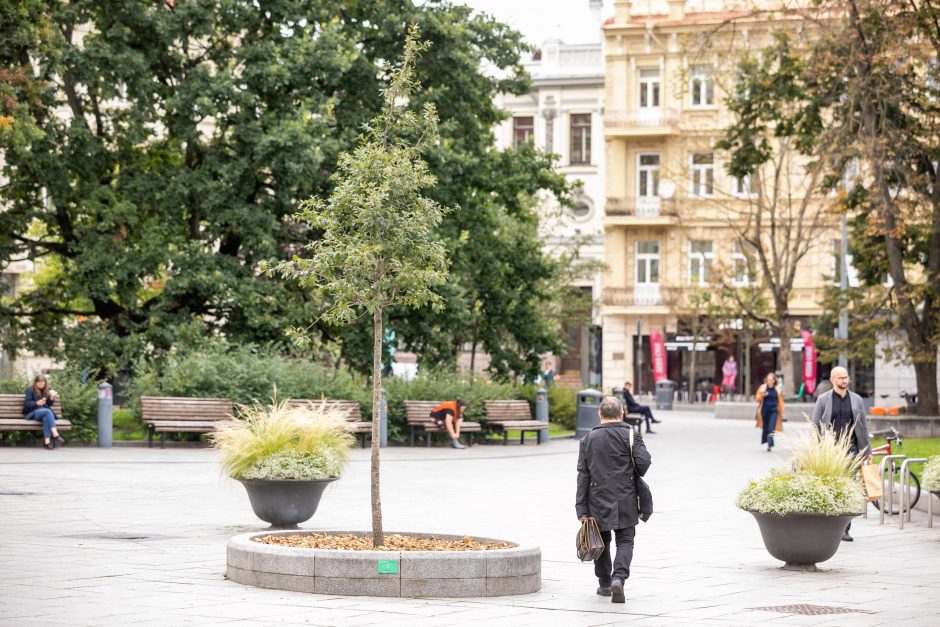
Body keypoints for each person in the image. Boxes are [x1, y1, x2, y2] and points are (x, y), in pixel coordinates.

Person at [576, 396, 652, 604]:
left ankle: (604, 583)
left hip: (597, 498)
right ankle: (619, 578)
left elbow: (583, 475)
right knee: (625, 540)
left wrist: (581, 509)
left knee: (601, 541)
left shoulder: (588, 440)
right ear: (621, 414)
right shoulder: (630, 434)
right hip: (626, 496)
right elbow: (644, 464)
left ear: (600, 415)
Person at [811, 366, 871, 542]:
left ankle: (845, 529)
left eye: (846, 377)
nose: (844, 380)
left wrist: (867, 451)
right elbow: (815, 425)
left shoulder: (857, 400)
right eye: (840, 378)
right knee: (831, 488)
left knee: (849, 488)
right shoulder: (823, 400)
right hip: (830, 451)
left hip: (851, 450)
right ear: (832, 380)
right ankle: (828, 525)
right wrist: (816, 448)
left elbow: (863, 427)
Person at [23, 374, 64, 450]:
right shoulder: (30, 390)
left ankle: (47, 443)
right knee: (48, 412)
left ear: (45, 383)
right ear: (35, 382)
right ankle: (56, 435)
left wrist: (51, 398)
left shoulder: (47, 390)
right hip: (33, 412)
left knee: (46, 418)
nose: (41, 385)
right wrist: (37, 403)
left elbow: (49, 404)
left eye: (43, 383)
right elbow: (27, 404)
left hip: (44, 412)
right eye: (39, 383)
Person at [754, 373, 784, 451]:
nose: (769, 381)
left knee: (771, 428)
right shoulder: (762, 388)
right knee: (766, 427)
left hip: (774, 410)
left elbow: (780, 402)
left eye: (771, 380)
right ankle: (767, 441)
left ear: (774, 380)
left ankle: (770, 444)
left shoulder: (777, 389)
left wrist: (781, 412)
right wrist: (762, 396)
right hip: (765, 410)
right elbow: (757, 398)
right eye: (768, 380)